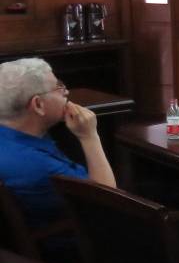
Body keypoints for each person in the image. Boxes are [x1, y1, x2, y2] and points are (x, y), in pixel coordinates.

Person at [0, 57, 117, 236]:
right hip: (77, 242)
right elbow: (108, 204)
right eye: (58, 88)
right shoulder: (41, 166)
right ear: (38, 104)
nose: (66, 92)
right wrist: (90, 137)